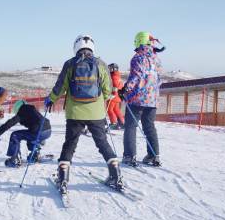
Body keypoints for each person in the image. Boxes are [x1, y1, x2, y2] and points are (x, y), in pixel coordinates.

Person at [45, 34, 123, 193]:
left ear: (76, 47)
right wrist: (103, 99)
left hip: (75, 113)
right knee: (102, 143)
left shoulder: (70, 64)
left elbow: (61, 87)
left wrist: (51, 99)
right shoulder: (101, 64)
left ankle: (63, 178)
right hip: (96, 113)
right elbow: (108, 90)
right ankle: (115, 174)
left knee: (70, 144)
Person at [120, 31, 163, 167]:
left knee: (131, 127)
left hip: (137, 98)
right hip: (152, 99)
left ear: (139, 41)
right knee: (149, 127)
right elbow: (159, 79)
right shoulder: (157, 59)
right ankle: (153, 155)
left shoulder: (138, 57)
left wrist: (125, 89)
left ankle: (129, 156)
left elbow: (136, 77)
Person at [0, 100, 51, 167]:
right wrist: (41, 138)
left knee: (15, 135)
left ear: (17, 108)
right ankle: (34, 155)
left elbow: (10, 123)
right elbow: (40, 121)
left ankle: (15, 159)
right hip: (48, 130)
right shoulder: (32, 110)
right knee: (30, 137)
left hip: (38, 132)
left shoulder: (22, 111)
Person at [107, 63, 125, 130]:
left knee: (109, 110)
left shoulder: (114, 76)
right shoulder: (117, 75)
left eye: (111, 68)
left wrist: (113, 94)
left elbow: (115, 87)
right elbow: (120, 85)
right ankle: (122, 122)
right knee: (116, 110)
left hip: (113, 97)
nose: (109, 70)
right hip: (117, 97)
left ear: (114, 69)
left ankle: (113, 123)